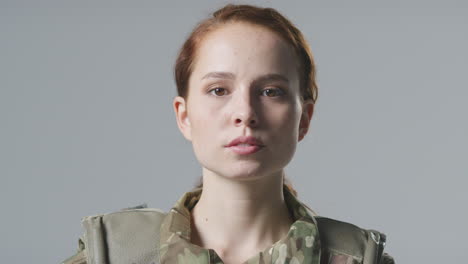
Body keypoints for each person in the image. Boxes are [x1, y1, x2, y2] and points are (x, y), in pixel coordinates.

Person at [63, 4, 394, 264]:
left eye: (271, 91)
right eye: (219, 90)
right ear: (184, 115)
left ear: (303, 118)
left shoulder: (357, 258)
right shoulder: (114, 256)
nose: (245, 114)